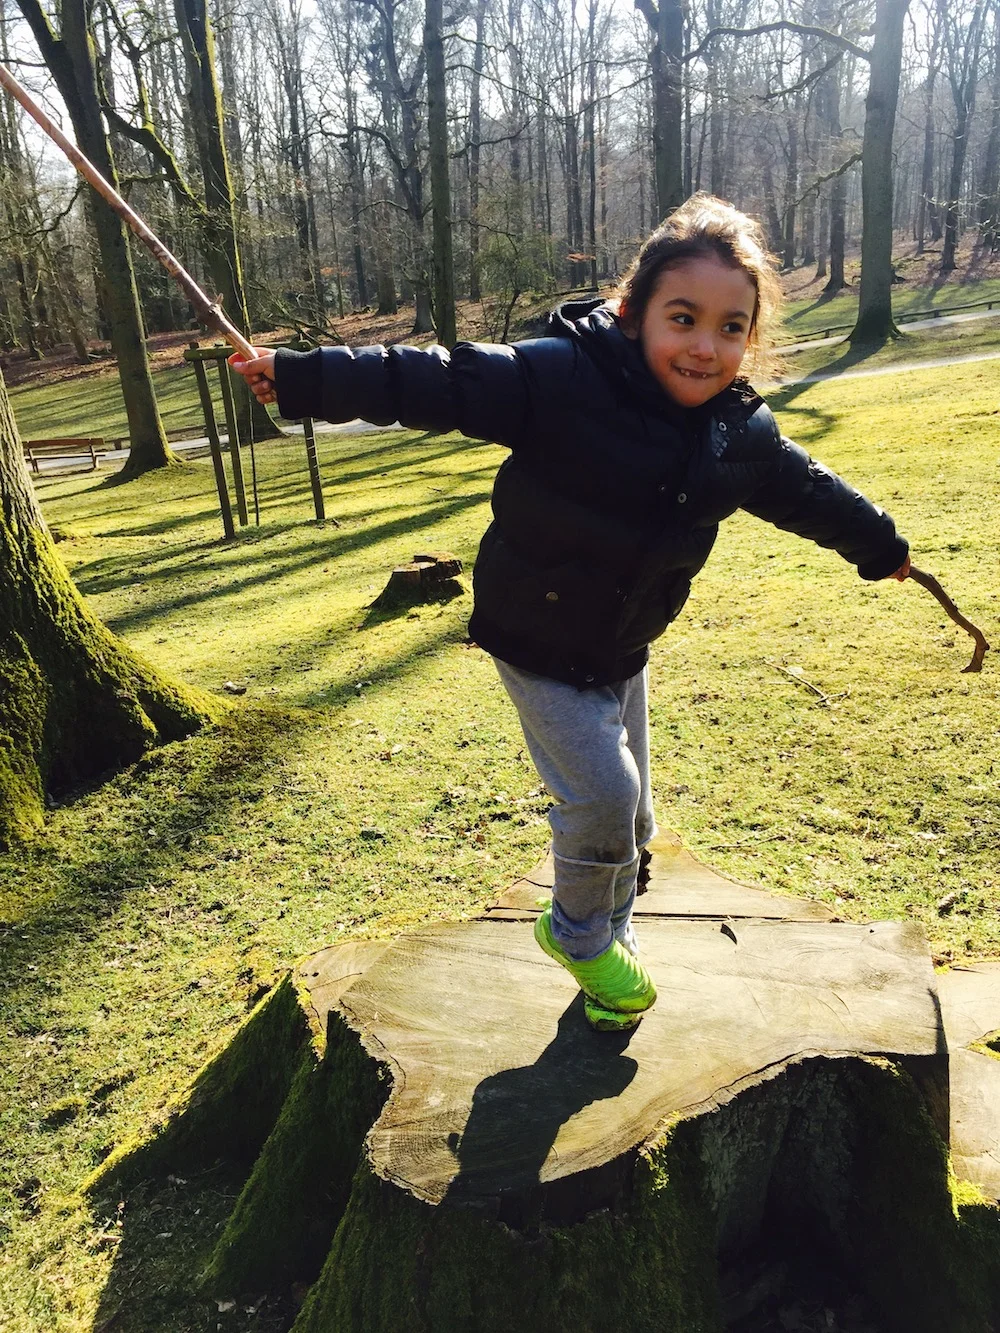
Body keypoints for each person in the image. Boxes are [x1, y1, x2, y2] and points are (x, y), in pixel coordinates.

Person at [229, 193, 910, 1033]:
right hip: (538, 638)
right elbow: (434, 379)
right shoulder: (557, 379)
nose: (705, 347)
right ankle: (581, 936)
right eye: (683, 317)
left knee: (638, 822)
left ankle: (606, 973)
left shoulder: (739, 434)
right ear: (632, 314)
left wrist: (879, 543)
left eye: (731, 328)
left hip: (625, 643)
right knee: (603, 796)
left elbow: (810, 493)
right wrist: (302, 376)